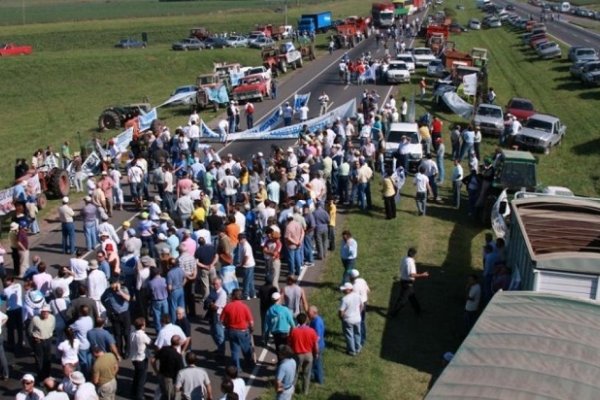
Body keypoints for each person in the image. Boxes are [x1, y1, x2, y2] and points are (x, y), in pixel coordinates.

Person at [220, 289, 255, 372]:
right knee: (246, 349)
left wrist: (227, 325)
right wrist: (251, 329)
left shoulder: (228, 306)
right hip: (243, 331)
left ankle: (237, 367)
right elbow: (251, 322)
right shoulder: (244, 307)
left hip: (232, 331)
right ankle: (249, 363)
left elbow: (221, 320)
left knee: (234, 350)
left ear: (233, 296)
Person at [390, 247, 429, 316]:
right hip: (407, 283)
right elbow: (412, 274)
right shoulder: (410, 262)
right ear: (412, 254)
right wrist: (422, 275)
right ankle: (393, 313)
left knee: (412, 297)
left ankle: (418, 310)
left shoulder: (404, 258)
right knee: (403, 300)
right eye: (414, 254)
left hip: (404, 281)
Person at [288, 313, 318, 396]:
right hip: (308, 354)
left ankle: (291, 390)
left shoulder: (294, 331)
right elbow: (315, 344)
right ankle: (305, 392)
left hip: (297, 354)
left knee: (295, 373)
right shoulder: (311, 331)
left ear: (297, 321)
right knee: (307, 374)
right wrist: (316, 353)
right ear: (306, 320)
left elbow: (289, 343)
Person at [101, 279, 131, 358]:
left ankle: (127, 351)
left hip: (124, 314)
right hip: (114, 314)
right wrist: (108, 307)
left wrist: (120, 292)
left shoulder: (124, 289)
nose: (113, 287)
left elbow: (128, 298)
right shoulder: (108, 291)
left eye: (114, 284)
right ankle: (119, 351)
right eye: (111, 285)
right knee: (117, 335)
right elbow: (102, 299)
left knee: (126, 333)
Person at [151, 335, 185, 400]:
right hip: (170, 380)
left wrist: (156, 371)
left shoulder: (164, 349)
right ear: (178, 343)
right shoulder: (177, 356)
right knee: (169, 396)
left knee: (161, 392)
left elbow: (152, 360)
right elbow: (180, 372)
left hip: (161, 375)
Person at [29, 304, 55, 380]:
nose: (45, 313)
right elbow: (30, 331)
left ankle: (48, 375)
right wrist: (34, 338)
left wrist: (49, 336)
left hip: (48, 340)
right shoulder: (35, 319)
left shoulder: (52, 318)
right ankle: (40, 377)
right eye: (43, 312)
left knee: (48, 359)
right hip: (38, 341)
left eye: (47, 312)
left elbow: (52, 328)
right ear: (41, 312)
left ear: (49, 312)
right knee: (39, 359)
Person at [130, 317, 151, 400]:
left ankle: (133, 391)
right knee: (141, 379)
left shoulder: (132, 333)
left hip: (134, 358)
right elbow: (150, 342)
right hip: (141, 358)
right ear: (142, 326)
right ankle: (139, 396)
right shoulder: (142, 335)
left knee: (136, 375)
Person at [338, 282, 362, 356]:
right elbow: (362, 305)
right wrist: (359, 313)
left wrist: (341, 317)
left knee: (349, 335)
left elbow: (341, 311)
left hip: (348, 319)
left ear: (349, 290)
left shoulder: (345, 299)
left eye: (345, 290)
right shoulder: (358, 296)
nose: (343, 291)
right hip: (357, 318)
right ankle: (358, 347)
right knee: (357, 333)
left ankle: (352, 351)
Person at [349, 269, 370, 346]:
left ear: (352, 277)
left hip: (359, 305)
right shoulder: (362, 280)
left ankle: (361, 339)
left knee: (359, 322)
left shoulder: (354, 287)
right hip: (365, 302)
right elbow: (368, 290)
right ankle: (363, 336)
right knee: (362, 321)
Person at [308, 306, 325, 384]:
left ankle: (319, 380)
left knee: (317, 363)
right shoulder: (315, 320)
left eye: (309, 313)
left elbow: (317, 337)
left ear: (314, 313)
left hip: (317, 346)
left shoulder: (317, 322)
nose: (308, 314)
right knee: (314, 362)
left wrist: (314, 347)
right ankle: (313, 376)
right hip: (316, 345)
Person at [237, 233, 256, 300]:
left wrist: (242, 264)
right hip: (248, 265)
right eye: (239, 239)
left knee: (246, 281)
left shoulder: (246, 246)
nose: (239, 241)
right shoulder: (242, 244)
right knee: (250, 280)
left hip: (248, 265)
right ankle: (253, 294)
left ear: (244, 239)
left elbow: (246, 257)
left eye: (241, 239)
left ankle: (246, 295)